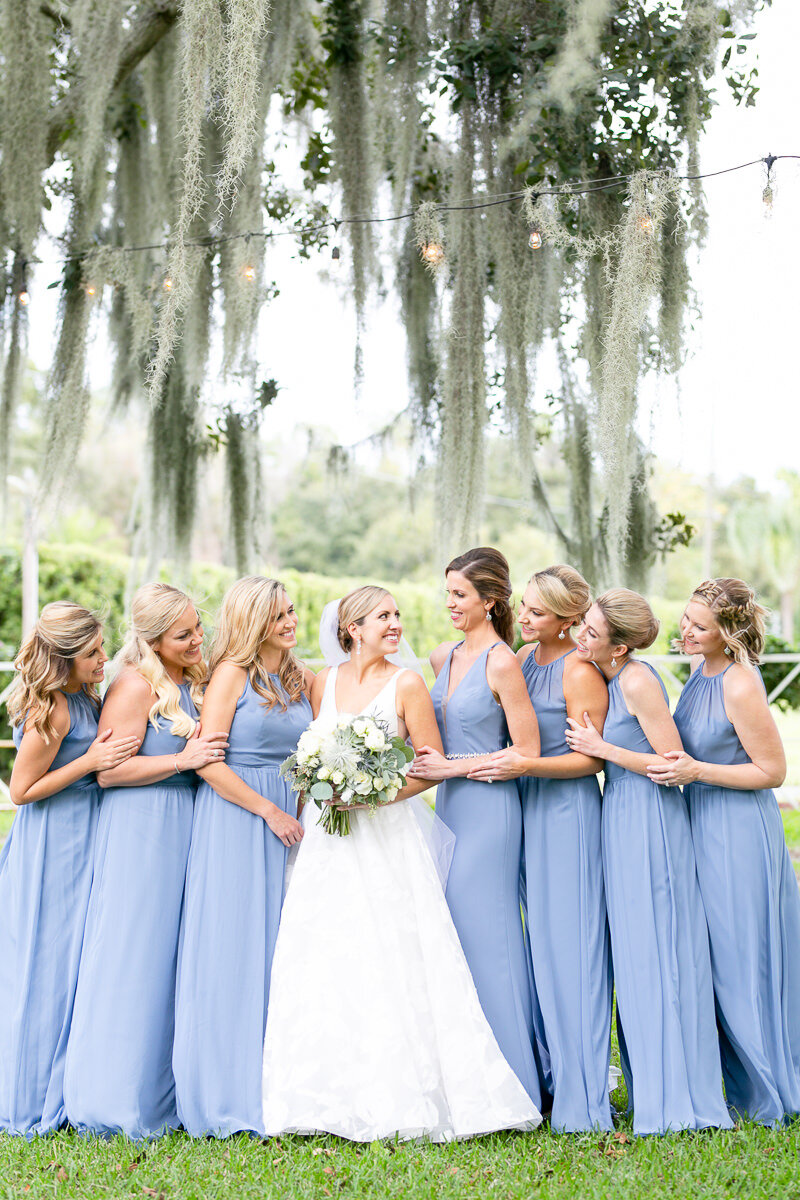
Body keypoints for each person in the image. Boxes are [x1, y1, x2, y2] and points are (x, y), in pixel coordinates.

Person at [262, 586, 541, 1141]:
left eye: (395, 615)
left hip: (386, 833)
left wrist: (369, 796)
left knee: (392, 950)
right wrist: (320, 787)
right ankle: (317, 1098)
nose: (394, 625)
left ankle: (406, 1095)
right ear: (352, 629)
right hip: (328, 839)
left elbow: (430, 766)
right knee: (325, 949)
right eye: (381, 617)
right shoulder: (325, 682)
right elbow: (313, 752)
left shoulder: (407, 683)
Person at [63, 584, 227, 1139]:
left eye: (197, 628)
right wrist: (183, 759)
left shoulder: (192, 679)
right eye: (183, 635)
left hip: (187, 823)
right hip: (140, 829)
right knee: (133, 950)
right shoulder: (132, 686)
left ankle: (169, 1089)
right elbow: (108, 772)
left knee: (172, 957)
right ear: (153, 639)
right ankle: (115, 1098)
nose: (196, 640)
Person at [566, 589, 731, 1135]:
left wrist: (602, 748)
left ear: (620, 645)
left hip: (651, 823)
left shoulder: (636, 680)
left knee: (658, 952)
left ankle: (675, 1100)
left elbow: (672, 762)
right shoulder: (613, 676)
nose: (580, 635)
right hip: (622, 815)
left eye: (590, 631)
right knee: (639, 955)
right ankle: (652, 1090)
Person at [649, 577, 800, 1125]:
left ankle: (766, 1085)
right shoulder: (698, 671)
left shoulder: (740, 683)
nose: (685, 630)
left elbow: (773, 772)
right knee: (713, 957)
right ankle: (732, 1078)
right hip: (699, 823)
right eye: (686, 619)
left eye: (699, 625)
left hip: (737, 832)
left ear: (728, 633)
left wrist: (695, 771)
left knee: (740, 956)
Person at [468, 564, 613, 1132]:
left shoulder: (579, 673)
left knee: (571, 951)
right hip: (525, 807)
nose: (522, 617)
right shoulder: (524, 660)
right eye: (523, 607)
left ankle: (583, 1096)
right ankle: (546, 1075)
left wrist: (527, 764)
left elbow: (591, 759)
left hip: (568, 812)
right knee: (537, 951)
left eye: (536, 612)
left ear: (569, 620)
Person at [173, 577, 311, 1137]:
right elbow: (207, 760)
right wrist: (268, 810)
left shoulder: (298, 678)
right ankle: (226, 1091)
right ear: (253, 620)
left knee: (281, 946)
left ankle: (279, 1082)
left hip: (293, 817)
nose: (290, 621)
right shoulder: (230, 674)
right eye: (277, 615)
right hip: (238, 817)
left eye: (292, 611)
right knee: (234, 946)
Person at [410, 547, 544, 1108]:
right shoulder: (444, 657)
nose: (450, 604)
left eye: (460, 595)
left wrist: (451, 768)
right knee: (457, 932)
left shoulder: (501, 662)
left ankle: (515, 1080)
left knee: (489, 934)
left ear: (489, 601)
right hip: (453, 805)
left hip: (491, 809)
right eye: (447, 593)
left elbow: (526, 750)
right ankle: (469, 1071)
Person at [0, 604, 138, 1135]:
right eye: (92, 654)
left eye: (102, 648)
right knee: (46, 963)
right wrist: (89, 762)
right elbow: (21, 792)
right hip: (54, 846)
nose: (103, 660)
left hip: (88, 834)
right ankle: (29, 1094)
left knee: (78, 960)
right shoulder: (54, 710)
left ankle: (67, 1080)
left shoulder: (83, 697)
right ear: (62, 660)